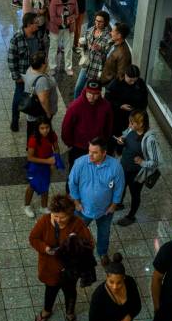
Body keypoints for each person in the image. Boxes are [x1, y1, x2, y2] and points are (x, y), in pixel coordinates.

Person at [29, 193, 93, 321]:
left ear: (70, 215)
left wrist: (76, 246)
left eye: (62, 217)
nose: (58, 220)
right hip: (50, 268)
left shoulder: (77, 224)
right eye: (55, 215)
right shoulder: (45, 221)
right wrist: (45, 248)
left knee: (70, 292)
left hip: (70, 270)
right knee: (50, 291)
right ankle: (47, 310)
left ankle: (70, 313)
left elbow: (90, 244)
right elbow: (33, 238)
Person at [68, 137, 125, 265]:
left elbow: (119, 187)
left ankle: (102, 253)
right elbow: (72, 183)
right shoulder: (80, 163)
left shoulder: (115, 166)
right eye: (89, 151)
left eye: (95, 152)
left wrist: (114, 205)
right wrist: (76, 202)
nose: (90, 155)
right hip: (83, 209)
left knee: (104, 233)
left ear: (104, 153)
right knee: (77, 232)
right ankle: (76, 252)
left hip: (105, 210)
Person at [115, 110, 161, 227]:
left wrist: (142, 162)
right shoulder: (131, 130)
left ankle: (131, 216)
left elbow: (155, 161)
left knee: (135, 194)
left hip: (136, 173)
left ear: (141, 124)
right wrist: (122, 140)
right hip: (124, 166)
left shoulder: (150, 140)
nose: (129, 125)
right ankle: (119, 204)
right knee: (121, 186)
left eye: (132, 123)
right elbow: (126, 136)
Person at [61, 81, 113, 175]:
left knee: (94, 173)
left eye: (95, 94)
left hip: (97, 148)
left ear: (100, 93)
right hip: (79, 147)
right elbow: (66, 127)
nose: (91, 96)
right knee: (75, 173)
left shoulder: (106, 106)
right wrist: (70, 143)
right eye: (89, 93)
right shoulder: (75, 106)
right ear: (85, 91)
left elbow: (108, 126)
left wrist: (104, 142)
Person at [7, 13, 45, 132]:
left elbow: (43, 51)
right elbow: (11, 59)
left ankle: (36, 119)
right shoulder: (17, 38)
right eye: (36, 22)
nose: (38, 24)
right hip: (23, 75)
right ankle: (15, 119)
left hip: (37, 74)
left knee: (37, 97)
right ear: (29, 24)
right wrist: (16, 76)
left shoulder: (38, 35)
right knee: (18, 97)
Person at [25, 116, 59, 217]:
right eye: (42, 128)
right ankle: (27, 206)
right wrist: (47, 161)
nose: (45, 131)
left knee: (46, 184)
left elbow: (56, 148)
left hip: (47, 164)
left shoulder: (52, 135)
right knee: (32, 185)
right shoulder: (33, 139)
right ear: (38, 128)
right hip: (35, 166)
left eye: (47, 127)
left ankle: (43, 207)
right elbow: (30, 158)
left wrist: (54, 160)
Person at [74, 10, 113, 98]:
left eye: (100, 21)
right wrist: (81, 45)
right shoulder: (90, 30)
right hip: (86, 64)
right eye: (96, 20)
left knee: (92, 91)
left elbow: (108, 51)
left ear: (105, 22)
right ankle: (75, 106)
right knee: (78, 87)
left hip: (96, 67)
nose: (97, 23)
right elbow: (84, 46)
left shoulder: (108, 36)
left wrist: (100, 48)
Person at [105, 64, 148, 137]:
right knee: (116, 134)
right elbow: (107, 99)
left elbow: (144, 100)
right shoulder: (116, 83)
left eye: (135, 80)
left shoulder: (140, 83)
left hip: (134, 115)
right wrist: (120, 105)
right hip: (118, 115)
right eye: (130, 80)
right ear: (125, 75)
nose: (133, 83)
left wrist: (140, 113)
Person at [23, 51, 58, 139]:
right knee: (39, 136)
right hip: (40, 115)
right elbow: (43, 100)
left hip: (32, 113)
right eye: (46, 60)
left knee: (31, 132)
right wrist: (48, 114)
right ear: (42, 64)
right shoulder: (42, 80)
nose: (47, 60)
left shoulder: (30, 69)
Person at [47, 0, 78, 76]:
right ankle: (52, 67)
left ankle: (68, 67)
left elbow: (76, 13)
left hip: (69, 29)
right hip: (56, 28)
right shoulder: (54, 0)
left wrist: (70, 19)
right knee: (53, 47)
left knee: (68, 48)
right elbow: (52, 17)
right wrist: (63, 21)